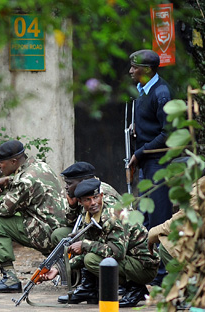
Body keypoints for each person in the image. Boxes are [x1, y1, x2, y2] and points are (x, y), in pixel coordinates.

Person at [0, 140, 67, 293]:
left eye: (1, 162)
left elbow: (4, 209)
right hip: (60, 231)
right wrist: (8, 181)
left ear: (14, 161)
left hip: (45, 233)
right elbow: (29, 182)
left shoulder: (23, 180)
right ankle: (60, 262)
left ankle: (10, 279)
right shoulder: (41, 166)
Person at [52, 179, 158, 307]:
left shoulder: (112, 216)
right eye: (87, 200)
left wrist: (85, 245)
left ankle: (135, 288)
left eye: (96, 197)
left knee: (91, 259)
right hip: (131, 261)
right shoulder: (90, 216)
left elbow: (117, 252)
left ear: (101, 195)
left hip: (144, 265)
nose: (93, 203)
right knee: (90, 255)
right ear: (80, 201)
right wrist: (58, 269)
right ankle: (92, 289)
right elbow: (92, 248)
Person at [128, 49, 173, 286]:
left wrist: (140, 152)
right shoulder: (143, 91)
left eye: (134, 67)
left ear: (147, 70)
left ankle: (164, 276)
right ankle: (151, 271)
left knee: (159, 216)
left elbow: (168, 134)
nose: (131, 71)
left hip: (159, 163)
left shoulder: (161, 93)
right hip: (147, 163)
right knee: (146, 218)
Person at [51, 161, 122, 245]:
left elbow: (108, 226)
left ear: (83, 182)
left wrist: (84, 242)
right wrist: (73, 207)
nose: (66, 187)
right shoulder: (81, 193)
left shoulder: (101, 193)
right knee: (58, 234)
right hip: (90, 231)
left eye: (69, 183)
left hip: (113, 239)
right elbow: (70, 223)